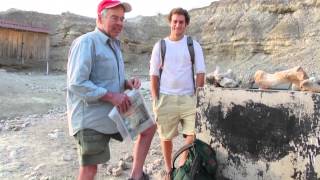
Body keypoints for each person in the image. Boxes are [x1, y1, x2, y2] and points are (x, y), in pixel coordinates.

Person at [66, 0, 156, 180]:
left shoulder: (114, 44)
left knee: (148, 128)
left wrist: (125, 83)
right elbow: (77, 83)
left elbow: (106, 76)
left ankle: (136, 176)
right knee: (90, 170)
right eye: (114, 18)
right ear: (100, 18)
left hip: (116, 110)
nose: (120, 23)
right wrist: (111, 96)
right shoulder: (86, 42)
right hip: (92, 118)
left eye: (122, 19)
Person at [149, 7, 206, 179]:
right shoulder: (161, 46)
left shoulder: (193, 45)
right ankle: (168, 169)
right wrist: (155, 100)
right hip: (165, 98)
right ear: (170, 22)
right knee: (166, 138)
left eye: (181, 22)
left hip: (189, 98)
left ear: (186, 24)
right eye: (175, 21)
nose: (177, 25)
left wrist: (198, 97)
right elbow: (153, 74)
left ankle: (181, 165)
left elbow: (200, 72)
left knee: (192, 134)